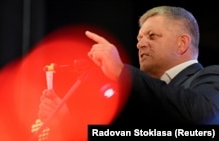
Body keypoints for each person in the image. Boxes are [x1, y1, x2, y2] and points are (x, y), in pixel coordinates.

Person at [38, 5, 219, 137]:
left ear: (182, 43)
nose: (140, 44)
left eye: (152, 36)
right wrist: (66, 124)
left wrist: (121, 71)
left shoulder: (211, 76)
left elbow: (204, 117)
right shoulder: (140, 95)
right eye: (139, 38)